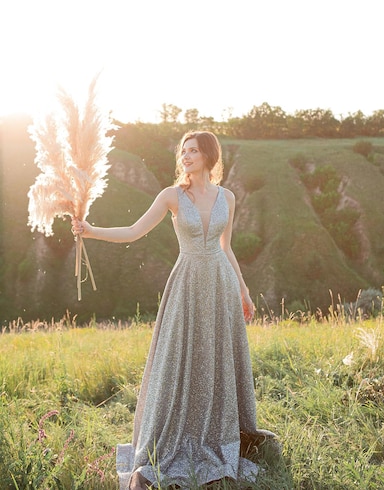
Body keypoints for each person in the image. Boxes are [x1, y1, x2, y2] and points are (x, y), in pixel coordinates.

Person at [71, 130, 276, 490]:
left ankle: (217, 433)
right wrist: (90, 231)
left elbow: (227, 248)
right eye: (183, 151)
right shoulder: (171, 196)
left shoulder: (227, 196)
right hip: (186, 285)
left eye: (194, 151)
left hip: (221, 284)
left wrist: (243, 290)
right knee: (179, 359)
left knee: (215, 359)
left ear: (209, 156)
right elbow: (134, 231)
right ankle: (168, 440)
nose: (186, 156)